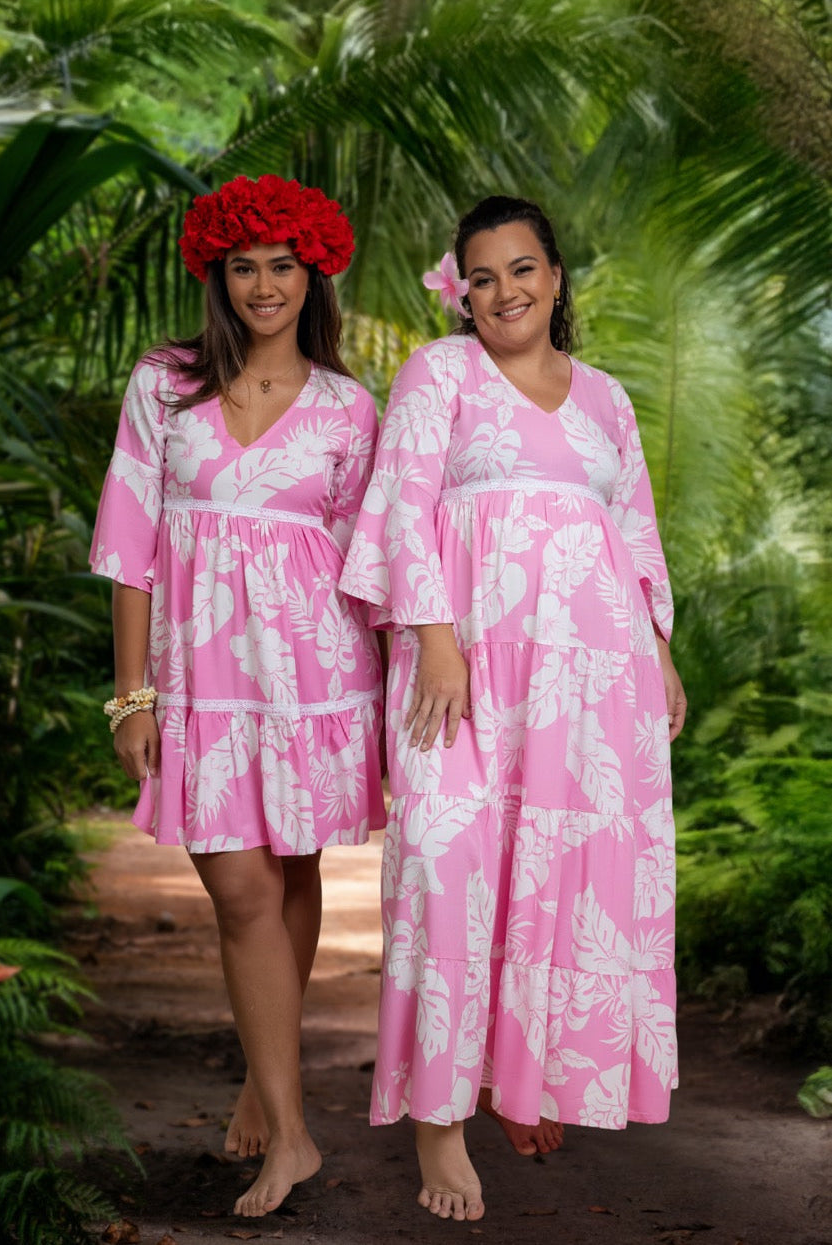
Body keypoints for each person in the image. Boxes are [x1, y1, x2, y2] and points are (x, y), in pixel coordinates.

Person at [339, 195, 686, 1222]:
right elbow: (403, 503)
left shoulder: (609, 400)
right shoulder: (437, 373)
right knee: (447, 867)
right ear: (461, 291)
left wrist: (659, 653)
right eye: (481, 277)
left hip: (591, 681)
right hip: (462, 667)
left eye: (521, 269)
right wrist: (433, 639)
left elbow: (635, 536)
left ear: (556, 274)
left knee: (561, 872)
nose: (503, 292)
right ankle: (436, 1126)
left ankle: (523, 1077)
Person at [90, 174, 386, 1218]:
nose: (266, 285)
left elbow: (373, 562)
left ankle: (270, 1083)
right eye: (245, 267)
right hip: (205, 684)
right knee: (242, 892)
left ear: (314, 275)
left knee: (291, 874)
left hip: (318, 681)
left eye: (283, 265)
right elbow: (131, 548)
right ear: (218, 277)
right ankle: (293, 1130)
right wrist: (133, 699)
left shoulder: (352, 407)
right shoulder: (162, 386)